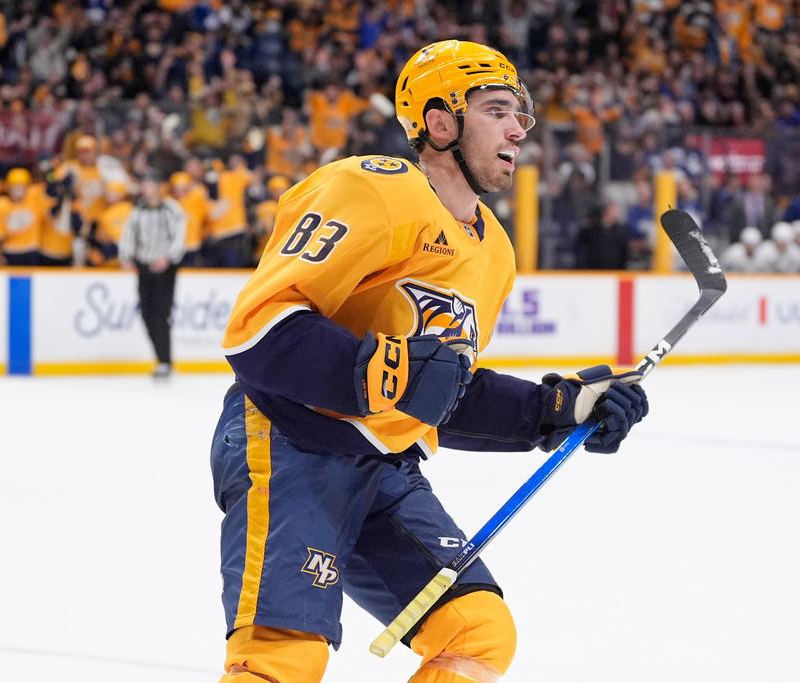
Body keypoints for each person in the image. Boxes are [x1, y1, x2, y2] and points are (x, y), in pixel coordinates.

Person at [209, 40, 649, 683]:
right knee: (284, 658)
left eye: (520, 113)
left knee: (478, 635)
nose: (518, 126)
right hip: (289, 442)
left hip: (385, 467)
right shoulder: (371, 189)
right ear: (440, 123)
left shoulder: (494, 251)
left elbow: (441, 395)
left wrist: (555, 409)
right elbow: (259, 333)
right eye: (497, 108)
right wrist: (386, 372)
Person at [118, 169, 186, 379]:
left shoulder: (171, 208)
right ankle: (161, 359)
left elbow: (180, 235)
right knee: (147, 313)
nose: (144, 188)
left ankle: (165, 361)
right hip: (145, 265)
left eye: (148, 184)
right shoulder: (138, 210)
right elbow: (129, 233)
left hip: (166, 268)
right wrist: (126, 256)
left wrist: (168, 257)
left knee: (161, 314)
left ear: (157, 186)